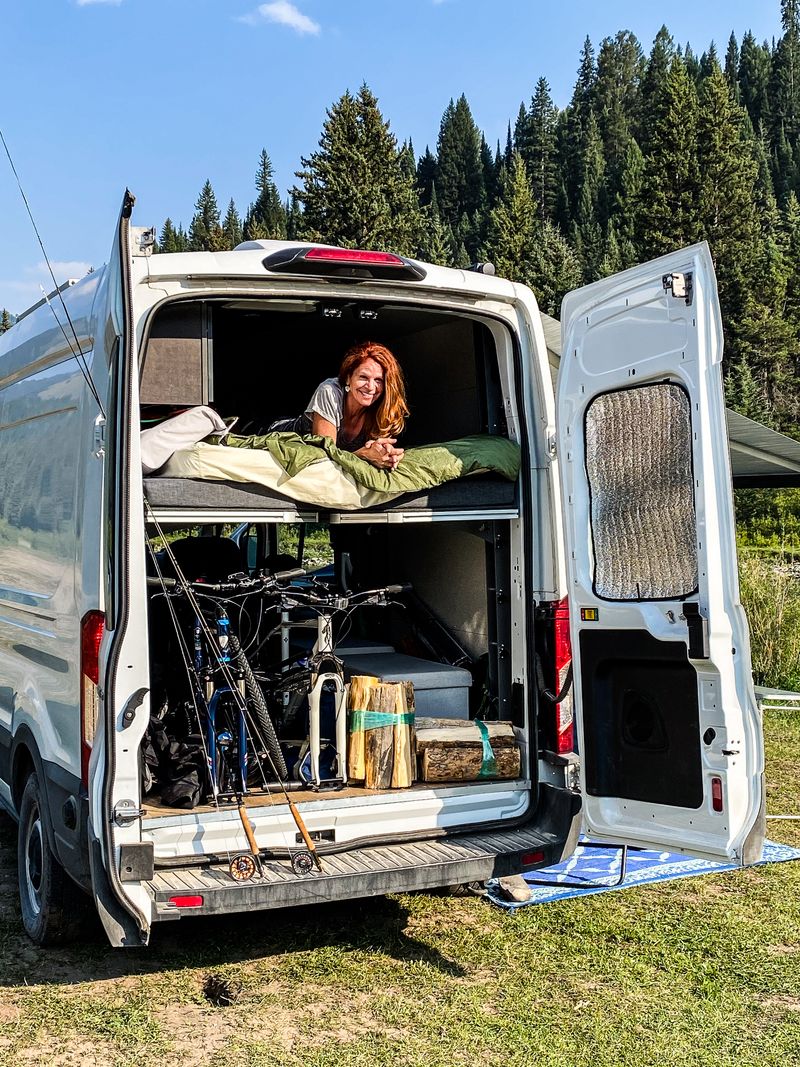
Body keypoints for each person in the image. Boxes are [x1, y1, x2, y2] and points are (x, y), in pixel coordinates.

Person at [272, 341, 408, 470]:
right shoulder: (329, 390)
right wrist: (363, 454)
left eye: (378, 380)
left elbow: (377, 452)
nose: (371, 387)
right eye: (363, 377)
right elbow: (324, 459)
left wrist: (389, 455)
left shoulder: (382, 408)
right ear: (349, 377)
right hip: (273, 433)